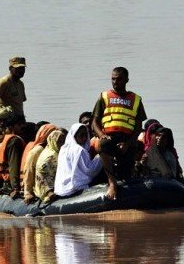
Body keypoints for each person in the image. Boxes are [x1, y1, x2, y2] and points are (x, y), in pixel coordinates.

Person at [91, 67, 147, 200]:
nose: (115, 82)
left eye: (119, 79)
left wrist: (128, 143)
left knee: (125, 173)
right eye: (113, 79)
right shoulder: (104, 97)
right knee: (103, 144)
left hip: (127, 139)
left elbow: (139, 126)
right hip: (109, 137)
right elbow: (94, 122)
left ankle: (125, 192)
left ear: (127, 80)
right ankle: (111, 183)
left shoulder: (136, 99)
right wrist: (101, 134)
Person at [54, 123, 102, 198]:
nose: (84, 138)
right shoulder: (79, 150)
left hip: (62, 187)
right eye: (81, 135)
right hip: (74, 187)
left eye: (86, 135)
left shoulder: (63, 149)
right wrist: (100, 157)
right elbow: (90, 170)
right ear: (74, 136)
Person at [0, 112, 26, 197]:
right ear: (11, 127)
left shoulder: (2, 140)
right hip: (9, 183)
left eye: (23, 124)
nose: (22, 127)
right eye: (19, 124)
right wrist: (16, 188)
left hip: (2, 180)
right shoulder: (15, 141)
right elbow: (13, 165)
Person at [21, 123, 58, 204]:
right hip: (38, 184)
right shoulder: (37, 151)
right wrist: (27, 193)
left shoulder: (53, 149)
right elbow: (29, 171)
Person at [33, 128, 67, 203]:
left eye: (63, 141)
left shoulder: (50, 151)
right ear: (52, 141)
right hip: (48, 190)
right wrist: (49, 192)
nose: (62, 144)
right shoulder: (51, 156)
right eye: (59, 142)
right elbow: (42, 175)